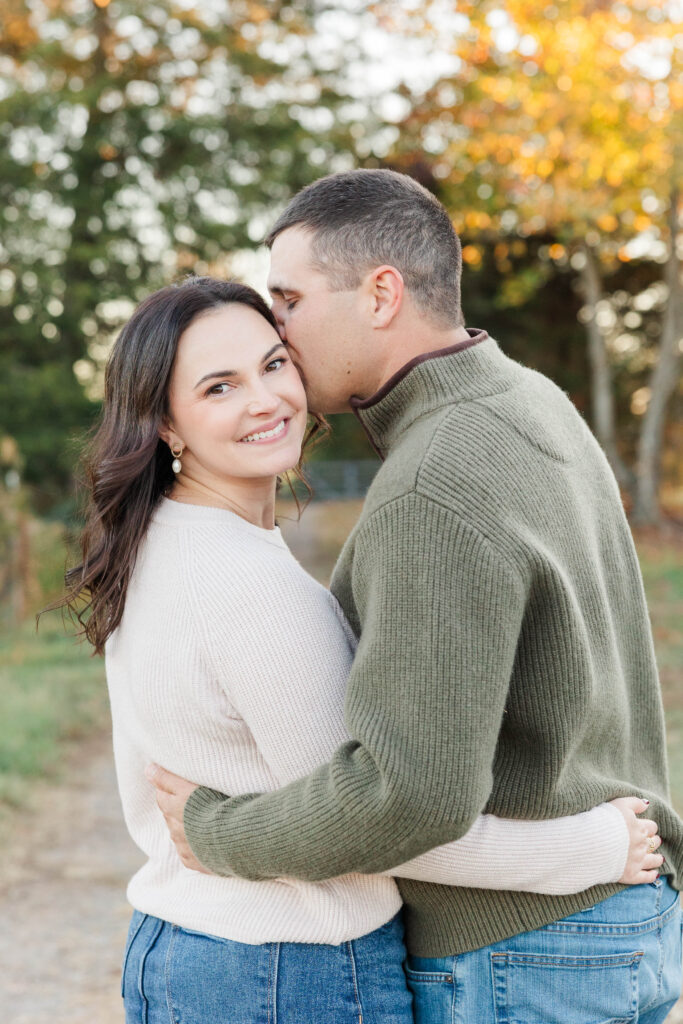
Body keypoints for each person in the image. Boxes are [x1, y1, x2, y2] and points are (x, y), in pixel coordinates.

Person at [150, 170, 683, 1024]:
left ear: (381, 294)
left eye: (288, 300)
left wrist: (215, 833)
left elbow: (409, 795)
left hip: (519, 956)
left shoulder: (433, 481)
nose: (275, 329)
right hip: (617, 927)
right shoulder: (530, 400)